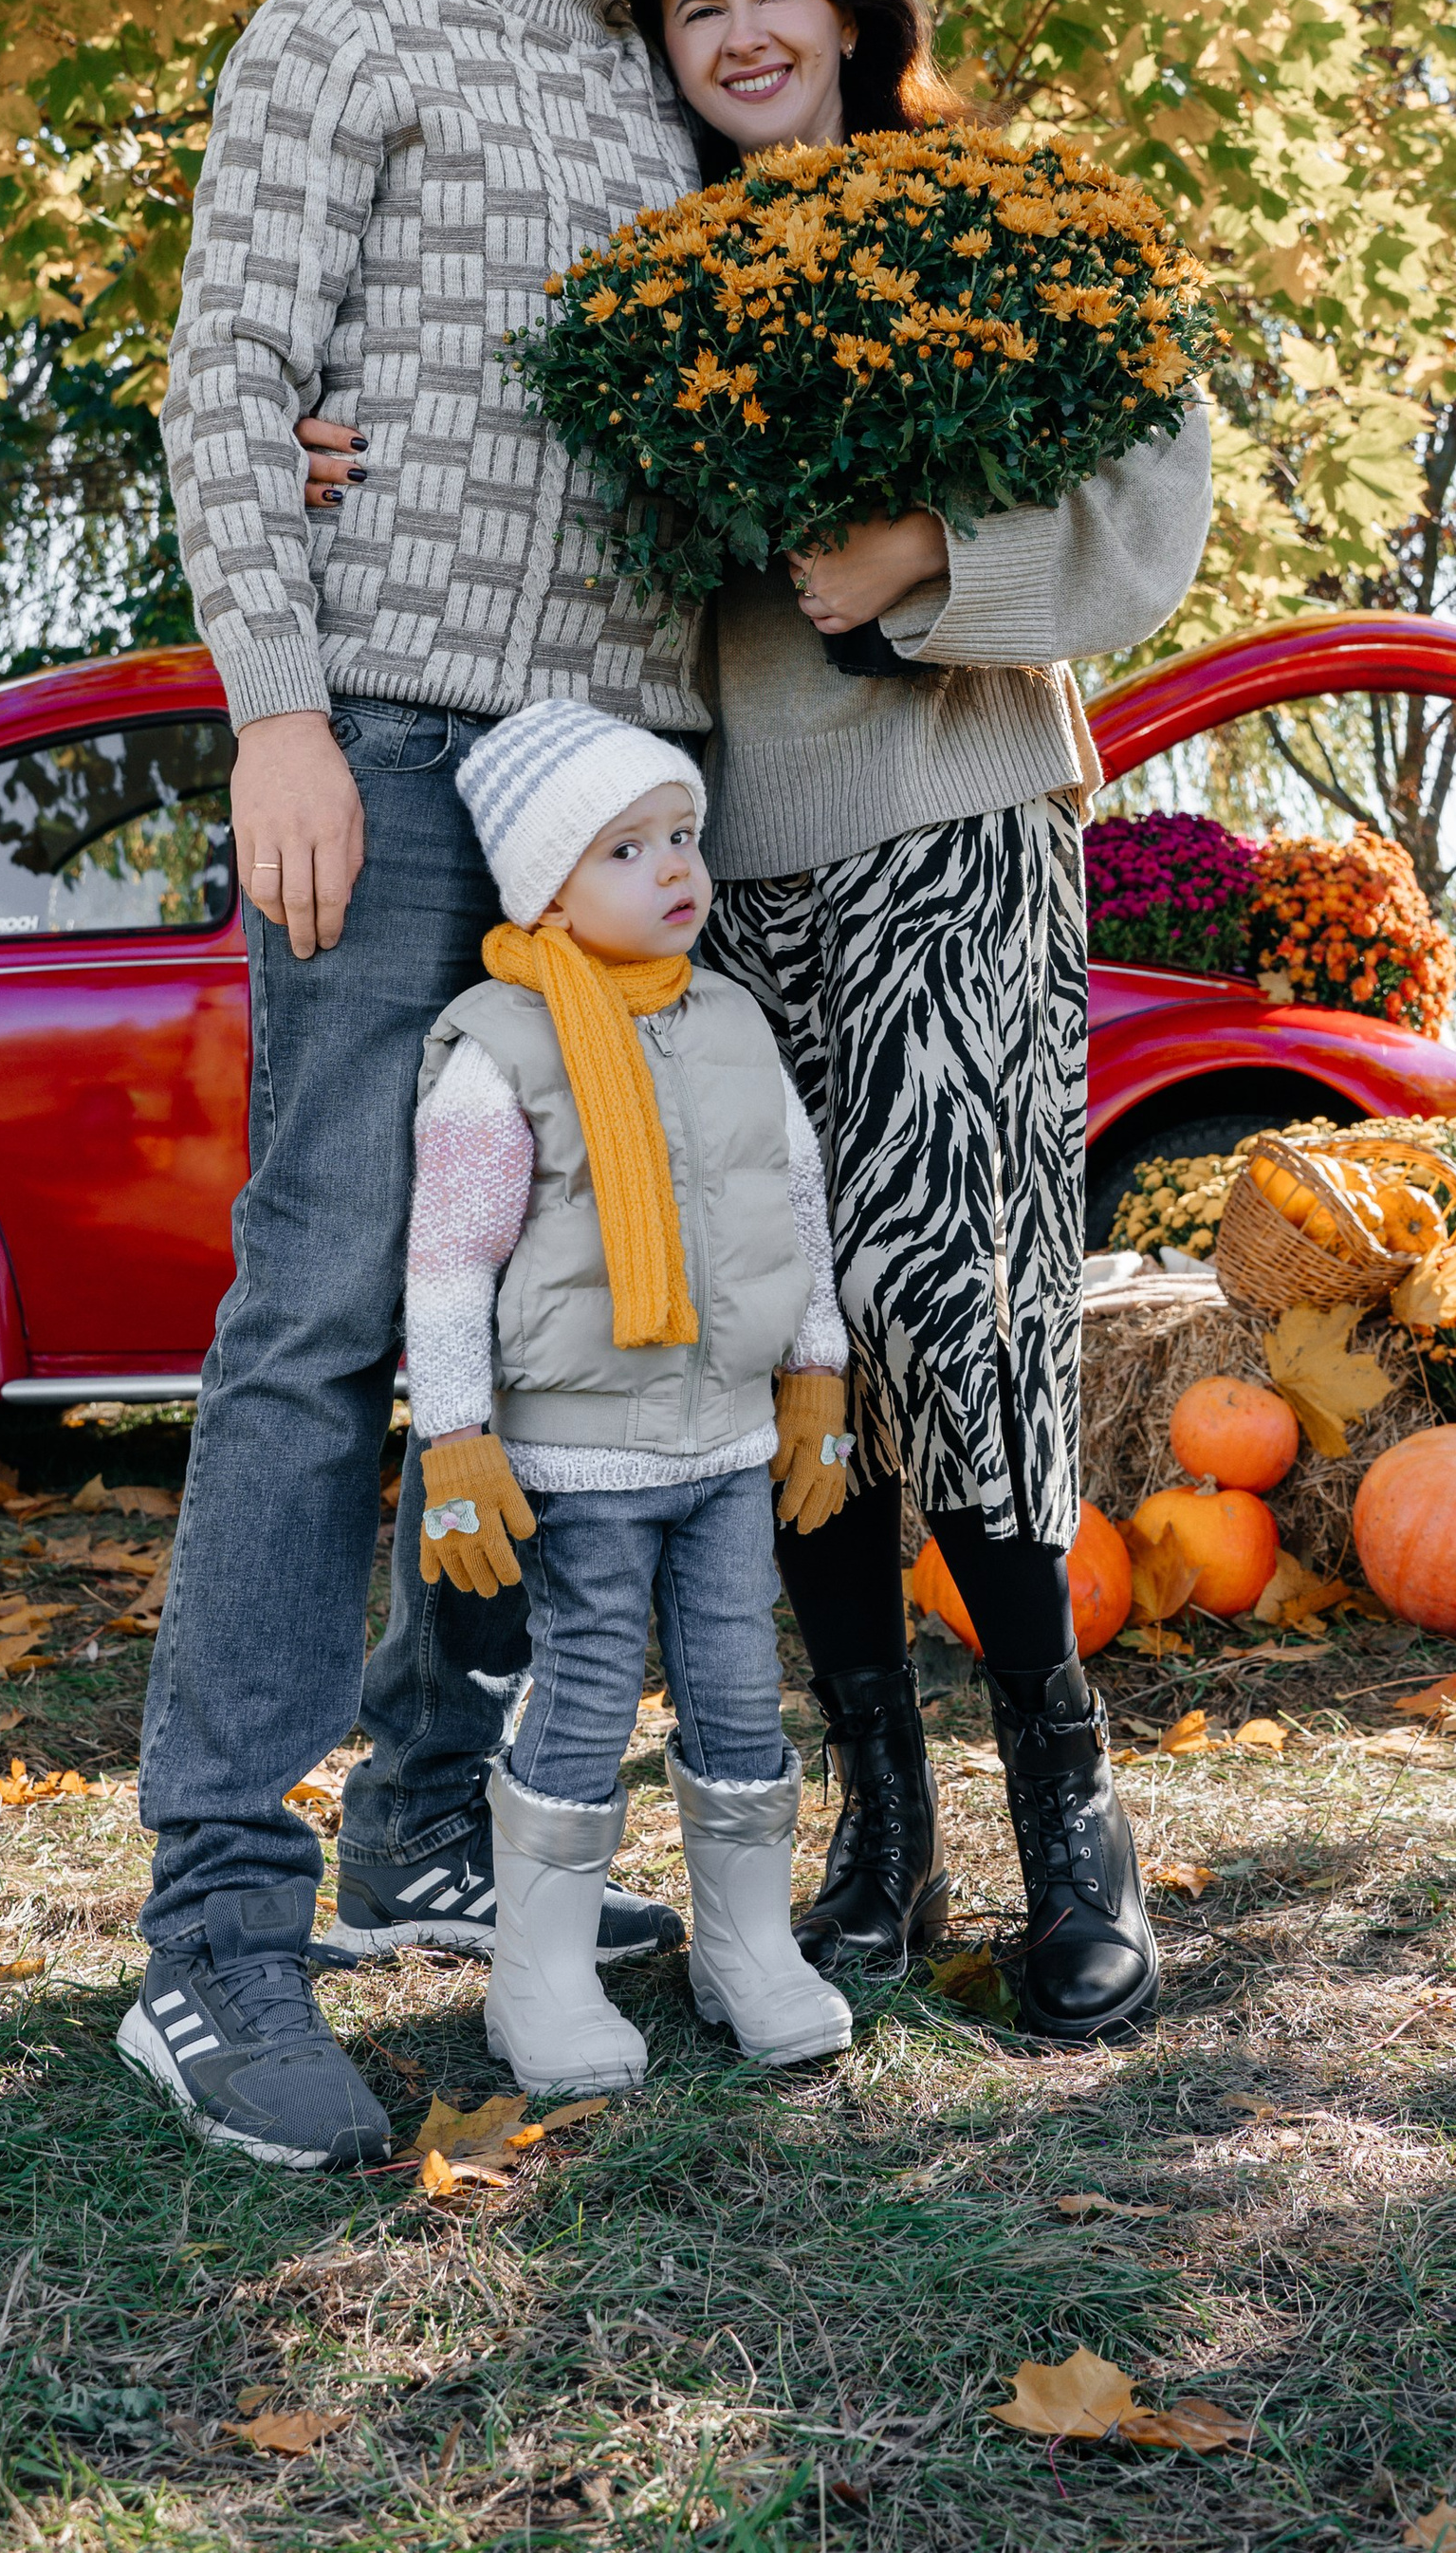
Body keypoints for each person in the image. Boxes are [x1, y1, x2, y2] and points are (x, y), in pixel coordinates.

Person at [305, 0, 1215, 2047]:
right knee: (772, 1332)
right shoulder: (645, 287)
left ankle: (1068, 1826)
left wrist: (924, 550)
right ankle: (876, 1827)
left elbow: (1156, 497)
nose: (732, 32)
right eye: (692, 5)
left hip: (955, 840)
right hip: (720, 888)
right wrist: (347, 449)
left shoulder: (980, 230)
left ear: (839, 10)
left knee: (953, 1315)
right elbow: (513, 464)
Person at [123, 0, 752, 2174]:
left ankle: (420, 1830)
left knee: (529, 1322)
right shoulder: (350, 31)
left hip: (602, 804)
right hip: (383, 751)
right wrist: (275, 698)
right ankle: (210, 1948)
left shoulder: (646, 91)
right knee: (317, 1325)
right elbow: (228, 366)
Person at [403, 697, 856, 2093]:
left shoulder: (730, 1022)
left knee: (735, 1681)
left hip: (725, 1442)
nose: (675, 869)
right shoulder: (499, 1048)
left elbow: (794, 1206)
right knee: (588, 1690)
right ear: (544, 883)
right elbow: (451, 1255)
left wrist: (818, 1376)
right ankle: (537, 1974)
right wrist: (457, 1436)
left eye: (681, 837)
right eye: (626, 850)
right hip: (583, 1456)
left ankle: (746, 1945)